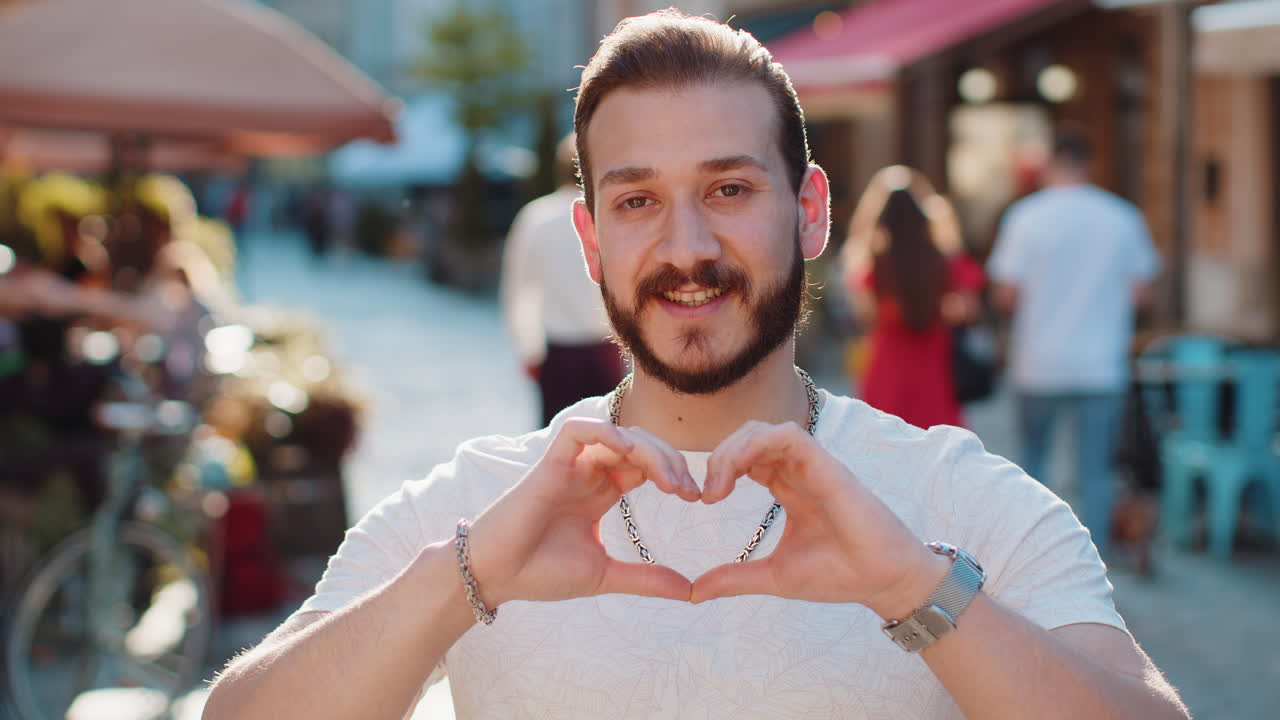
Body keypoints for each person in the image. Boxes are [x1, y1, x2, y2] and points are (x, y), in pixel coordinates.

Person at [204, 11, 1187, 720]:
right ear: (590, 244)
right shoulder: (475, 505)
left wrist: (910, 590)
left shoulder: (961, 503)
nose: (685, 247)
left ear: (808, 211)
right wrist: (463, 580)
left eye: (726, 188)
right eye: (636, 201)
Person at [987, 131, 1161, 559]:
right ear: (1090, 166)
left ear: (1051, 165)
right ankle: (1092, 560)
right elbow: (1142, 294)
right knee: (1096, 470)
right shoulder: (1122, 216)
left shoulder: (1026, 216)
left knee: (1033, 463)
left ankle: (1034, 555)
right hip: (1101, 362)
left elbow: (1006, 295)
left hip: (1039, 361)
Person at [842, 166, 984, 429]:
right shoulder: (944, 261)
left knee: (884, 442)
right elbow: (969, 308)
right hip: (933, 367)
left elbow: (864, 313)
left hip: (887, 367)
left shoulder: (874, 264)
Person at [501, 134, 625, 426]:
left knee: (557, 448)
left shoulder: (535, 217)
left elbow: (517, 290)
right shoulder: (610, 215)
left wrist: (528, 349)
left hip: (558, 354)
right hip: (607, 350)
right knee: (616, 449)